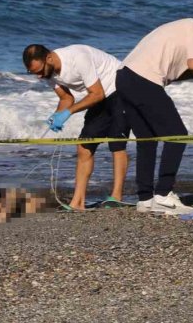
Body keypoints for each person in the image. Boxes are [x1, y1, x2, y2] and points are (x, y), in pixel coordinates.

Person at [116, 19, 193, 215]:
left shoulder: (186, 31)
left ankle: (145, 199)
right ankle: (164, 194)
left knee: (147, 140)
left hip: (124, 77)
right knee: (178, 135)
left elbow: (178, 71)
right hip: (144, 79)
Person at [22, 43, 129, 211]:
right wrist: (56, 116)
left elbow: (97, 94)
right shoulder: (48, 73)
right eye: (34, 73)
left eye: (40, 71)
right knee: (84, 147)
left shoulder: (77, 58)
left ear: (49, 58)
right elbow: (66, 99)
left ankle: (116, 197)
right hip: (100, 95)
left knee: (116, 143)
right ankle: (78, 202)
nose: (40, 77)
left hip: (120, 87)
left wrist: (68, 113)